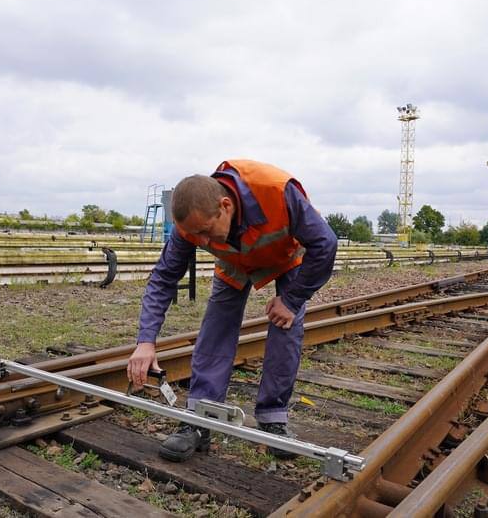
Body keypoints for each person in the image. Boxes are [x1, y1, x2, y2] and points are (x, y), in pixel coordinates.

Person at [127, 159, 338, 462]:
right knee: (216, 328)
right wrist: (146, 341)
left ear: (225, 206)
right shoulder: (192, 224)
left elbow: (325, 244)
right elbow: (163, 278)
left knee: (285, 327)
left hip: (285, 257)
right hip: (234, 263)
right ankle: (200, 418)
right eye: (193, 236)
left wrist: (291, 300)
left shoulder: (278, 192)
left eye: (205, 232)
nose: (201, 243)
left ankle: (273, 421)